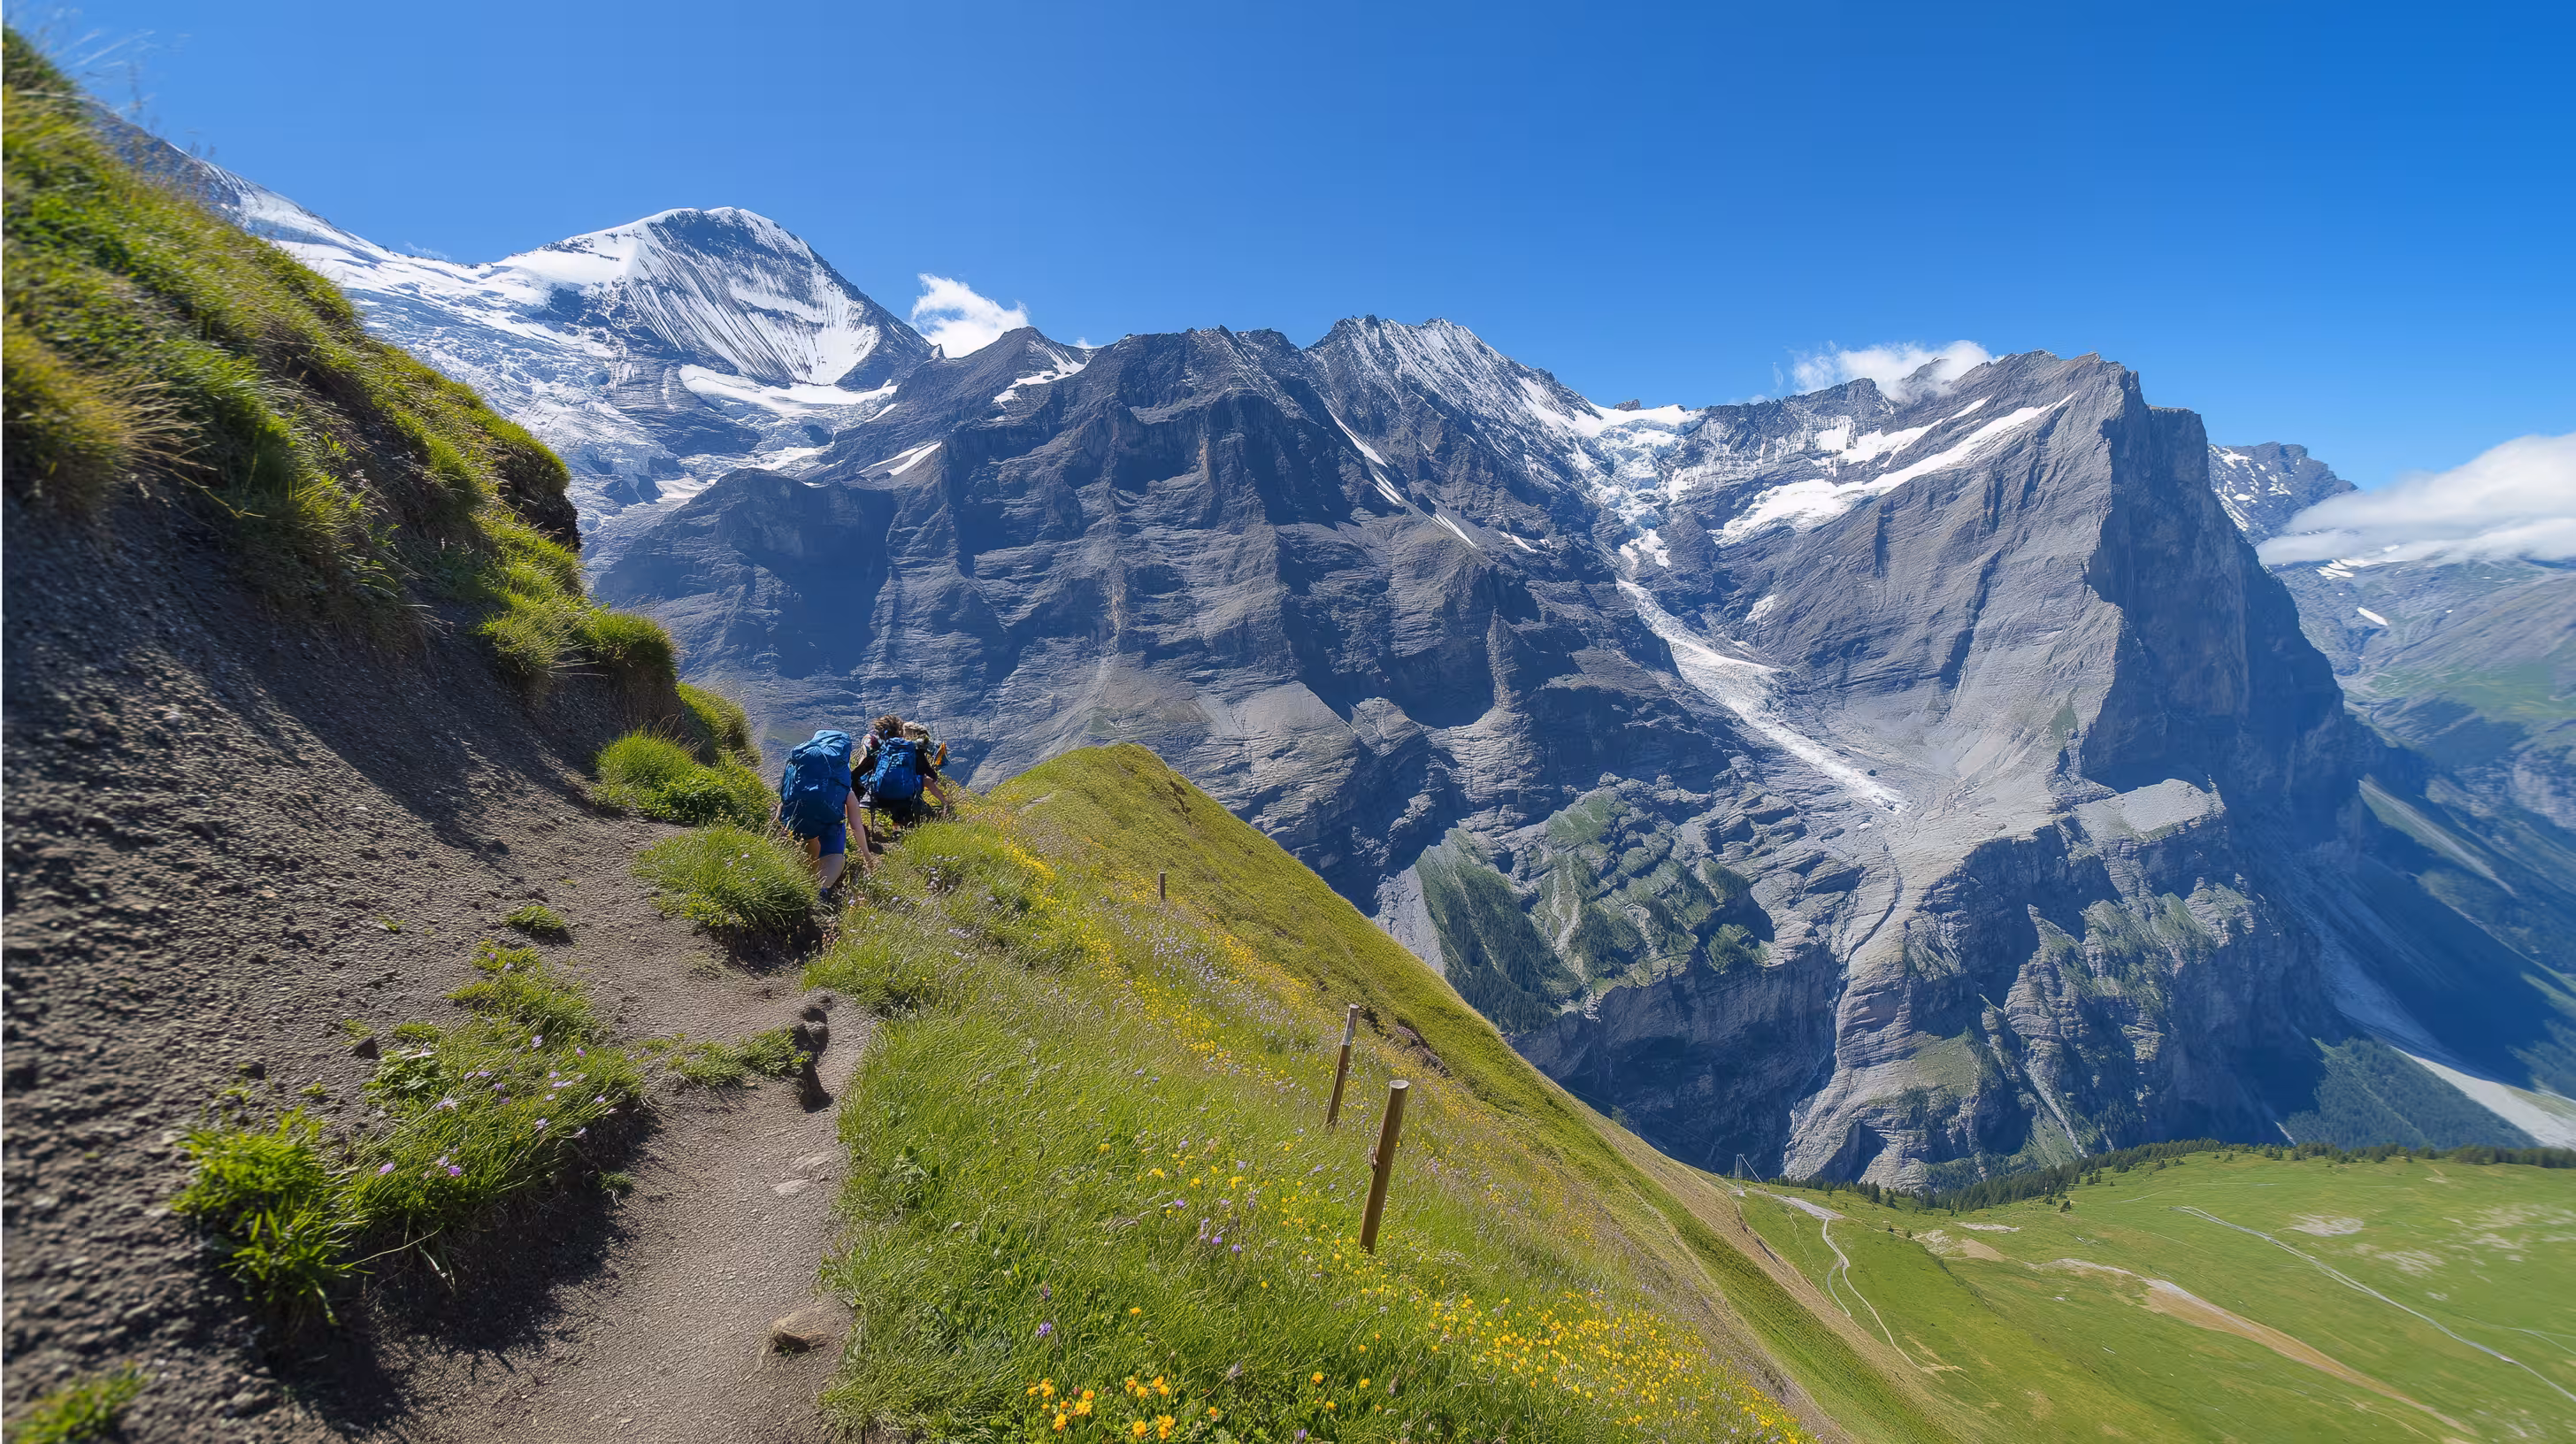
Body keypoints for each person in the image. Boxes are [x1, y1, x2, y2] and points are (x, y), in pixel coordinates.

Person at [776, 728, 870, 900]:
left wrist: (778, 824)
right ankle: (821, 890)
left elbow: (784, 797)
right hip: (827, 822)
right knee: (836, 851)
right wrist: (866, 855)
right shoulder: (842, 787)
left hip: (796, 817)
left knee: (809, 837)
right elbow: (856, 827)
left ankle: (803, 881)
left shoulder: (801, 769)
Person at [855, 713, 939, 832]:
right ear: (900, 731)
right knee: (905, 787)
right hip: (905, 797)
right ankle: (897, 828)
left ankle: (858, 826)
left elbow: (859, 773)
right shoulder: (911, 748)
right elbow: (926, 772)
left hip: (879, 796)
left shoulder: (878, 749)